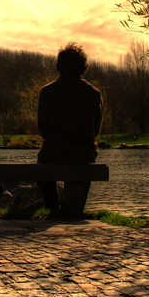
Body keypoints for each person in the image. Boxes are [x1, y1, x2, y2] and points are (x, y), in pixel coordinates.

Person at [36, 42, 103, 214]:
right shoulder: (93, 93)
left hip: (53, 152)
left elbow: (42, 127)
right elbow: (96, 130)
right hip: (83, 153)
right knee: (88, 155)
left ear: (58, 66)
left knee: (43, 164)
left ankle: (53, 208)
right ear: (83, 66)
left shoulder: (47, 92)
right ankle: (76, 208)